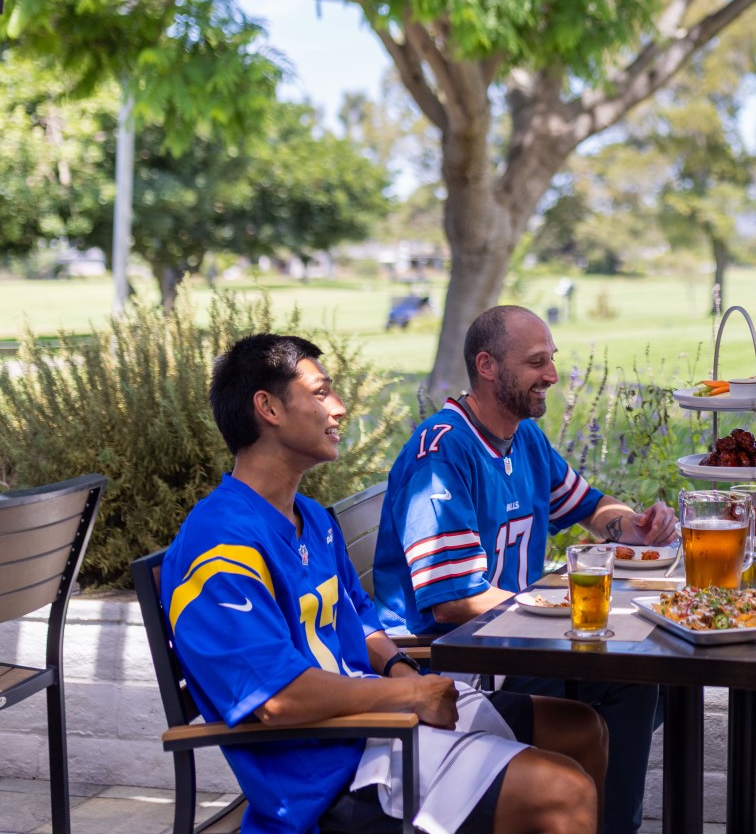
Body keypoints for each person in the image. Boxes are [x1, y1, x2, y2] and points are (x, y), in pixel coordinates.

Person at [163, 334, 604, 834]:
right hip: (328, 774)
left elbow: (359, 618)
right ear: (267, 408)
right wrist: (407, 697)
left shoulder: (309, 517)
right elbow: (277, 698)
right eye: (321, 393)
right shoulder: (219, 545)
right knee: (563, 791)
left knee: (579, 729)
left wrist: (399, 671)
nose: (340, 407)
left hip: (374, 723)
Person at [373, 307, 674, 834]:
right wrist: (564, 612)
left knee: (661, 675)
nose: (553, 376)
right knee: (632, 684)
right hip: (452, 661)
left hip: (510, 641)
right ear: (487, 366)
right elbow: (453, 602)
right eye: (537, 362)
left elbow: (589, 507)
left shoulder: (524, 437)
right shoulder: (443, 453)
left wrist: (633, 526)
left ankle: (584, 812)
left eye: (552, 360)